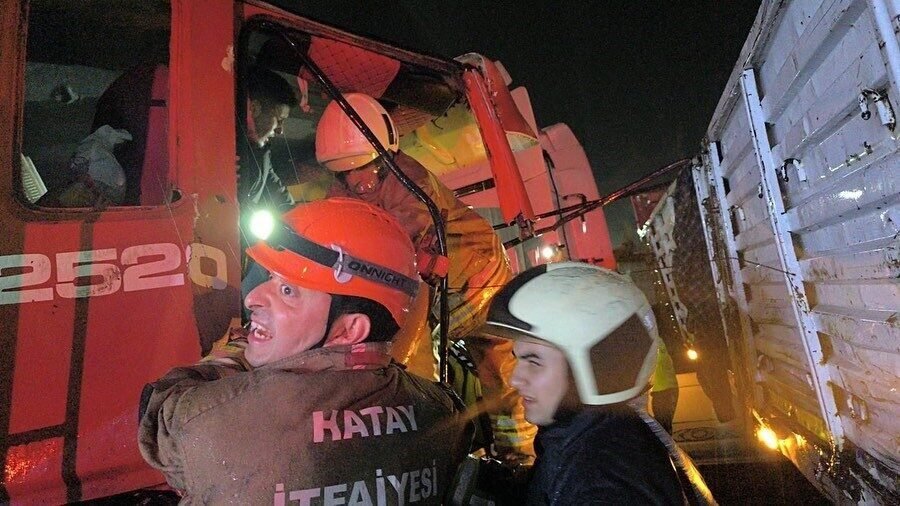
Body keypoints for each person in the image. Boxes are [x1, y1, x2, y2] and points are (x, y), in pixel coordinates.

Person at [138, 198, 470, 503]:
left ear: (349, 330)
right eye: (270, 278)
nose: (252, 298)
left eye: (287, 291)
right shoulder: (445, 413)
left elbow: (158, 415)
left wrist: (238, 353)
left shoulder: (218, 421)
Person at [315, 93, 535, 460]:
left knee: (498, 371)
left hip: (477, 282)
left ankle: (519, 460)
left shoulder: (409, 183)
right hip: (435, 287)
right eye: (344, 172)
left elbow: (400, 247)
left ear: (384, 156)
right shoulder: (341, 192)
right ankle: (433, 453)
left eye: (363, 167)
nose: (355, 180)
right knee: (417, 368)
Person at [481, 262, 715, 505]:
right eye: (517, 358)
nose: (515, 379)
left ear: (595, 366)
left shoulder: (609, 479)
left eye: (534, 362)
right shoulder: (591, 441)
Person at [238, 66, 299, 310]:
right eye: (279, 120)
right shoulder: (221, 141)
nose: (280, 130)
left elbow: (279, 197)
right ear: (254, 108)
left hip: (243, 248)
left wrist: (304, 224)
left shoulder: (261, 153)